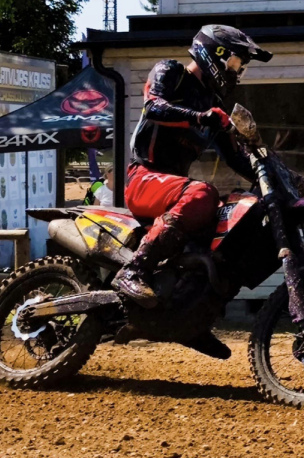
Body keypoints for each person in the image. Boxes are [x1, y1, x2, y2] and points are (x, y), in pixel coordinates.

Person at [112, 25, 273, 320]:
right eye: (236, 63)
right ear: (215, 55)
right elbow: (154, 108)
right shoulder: (171, 72)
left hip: (172, 189)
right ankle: (133, 270)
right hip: (144, 178)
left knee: (234, 215)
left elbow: (236, 159)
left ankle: (188, 316)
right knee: (203, 192)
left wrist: (275, 173)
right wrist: (200, 117)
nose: (237, 72)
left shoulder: (214, 106)